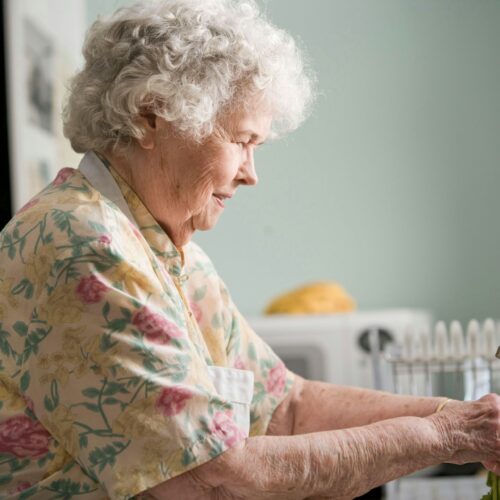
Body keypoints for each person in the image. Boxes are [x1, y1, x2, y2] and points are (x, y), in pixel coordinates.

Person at [0, 1, 499, 498]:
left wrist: (465, 419)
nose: (251, 173)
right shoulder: (81, 243)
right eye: (241, 141)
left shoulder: (172, 252)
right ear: (151, 117)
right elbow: (210, 478)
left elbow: (286, 407)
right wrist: (445, 436)